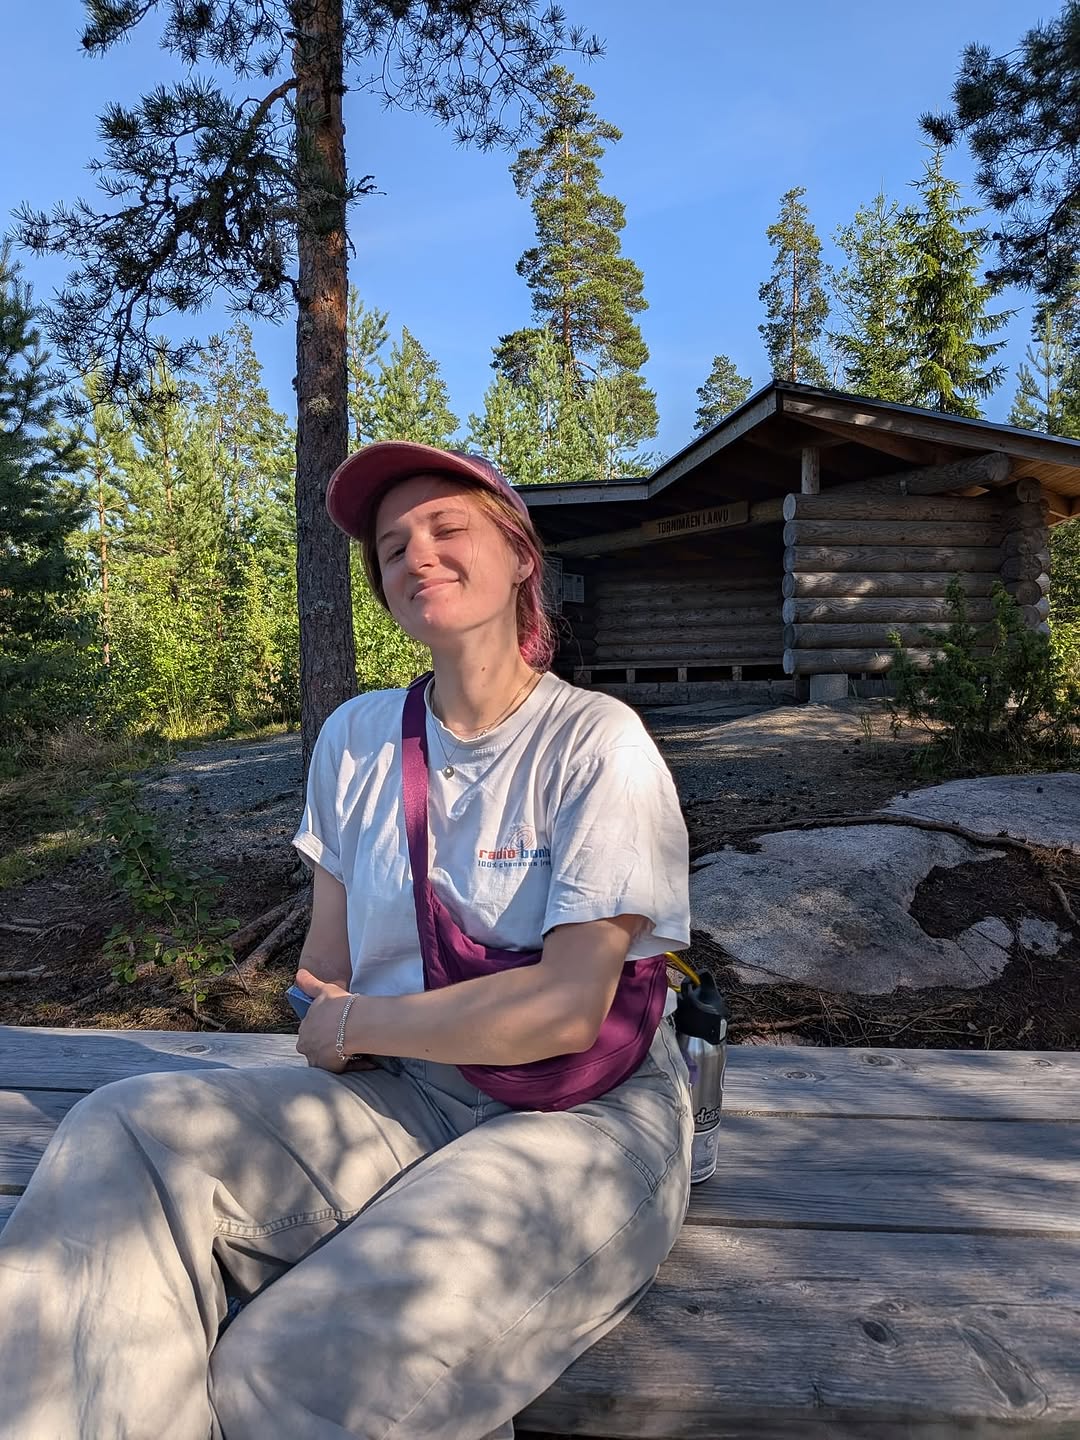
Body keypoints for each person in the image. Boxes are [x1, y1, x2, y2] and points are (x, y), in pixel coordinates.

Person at [0, 442, 692, 1440]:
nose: (418, 555)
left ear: (520, 557)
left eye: (448, 528)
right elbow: (326, 969)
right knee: (127, 1132)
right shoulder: (358, 739)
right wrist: (328, 1014)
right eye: (393, 546)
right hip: (401, 1090)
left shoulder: (595, 742)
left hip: (584, 1117)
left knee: (295, 1370)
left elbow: (563, 1010)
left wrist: (358, 1021)